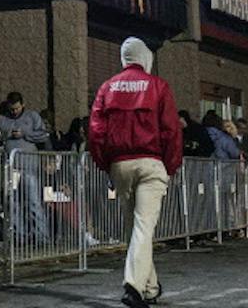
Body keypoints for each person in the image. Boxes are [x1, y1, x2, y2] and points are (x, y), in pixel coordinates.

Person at [87, 37, 181, 308]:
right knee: (143, 226)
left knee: (134, 228)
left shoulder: (107, 87)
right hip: (151, 162)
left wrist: (106, 163)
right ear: (146, 58)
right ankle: (134, 286)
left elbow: (96, 132)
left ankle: (150, 286)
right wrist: (170, 165)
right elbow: (171, 130)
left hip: (120, 164)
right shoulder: (158, 86)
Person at [0, 90, 51, 252]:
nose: (14, 112)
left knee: (33, 202)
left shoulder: (32, 116)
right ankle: (19, 237)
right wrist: (9, 134)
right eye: (12, 109)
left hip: (29, 166)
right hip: (12, 168)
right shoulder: (2, 119)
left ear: (23, 105)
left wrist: (25, 134)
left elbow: (43, 135)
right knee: (14, 204)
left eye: (17, 108)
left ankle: (42, 236)